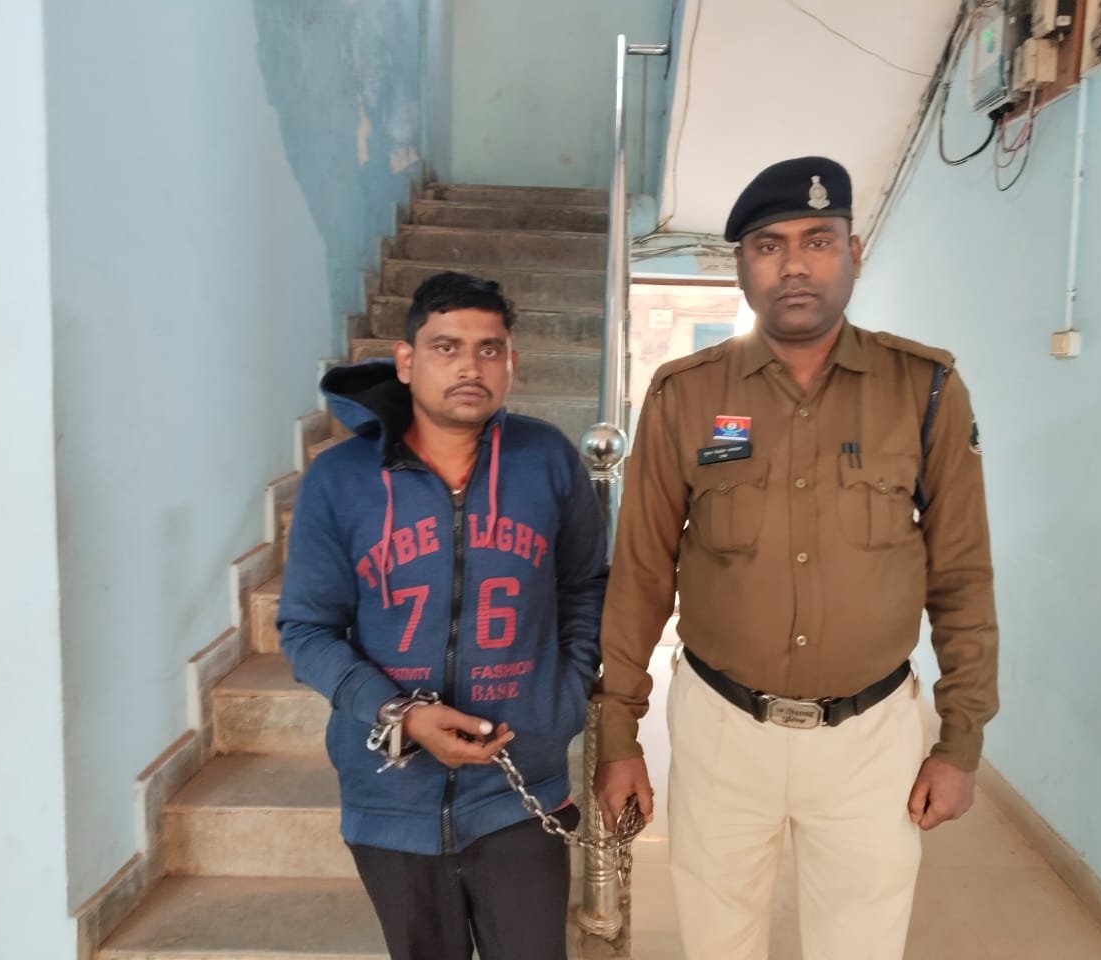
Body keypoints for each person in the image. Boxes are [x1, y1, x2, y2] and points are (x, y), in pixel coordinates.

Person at [593, 157, 999, 960]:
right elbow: (641, 574)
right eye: (769, 246)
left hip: (871, 737)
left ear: (855, 253)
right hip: (720, 729)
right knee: (718, 942)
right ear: (740, 267)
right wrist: (618, 734)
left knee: (860, 945)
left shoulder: (924, 390)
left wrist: (960, 742)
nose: (795, 265)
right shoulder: (684, 395)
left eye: (818, 240)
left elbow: (962, 576)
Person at [277, 270, 607, 960]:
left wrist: (565, 696)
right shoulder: (341, 479)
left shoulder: (547, 459)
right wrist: (398, 713)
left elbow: (584, 586)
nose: (470, 367)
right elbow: (306, 628)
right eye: (446, 347)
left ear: (511, 362)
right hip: (390, 797)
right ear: (406, 361)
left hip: (521, 787)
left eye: (489, 349)